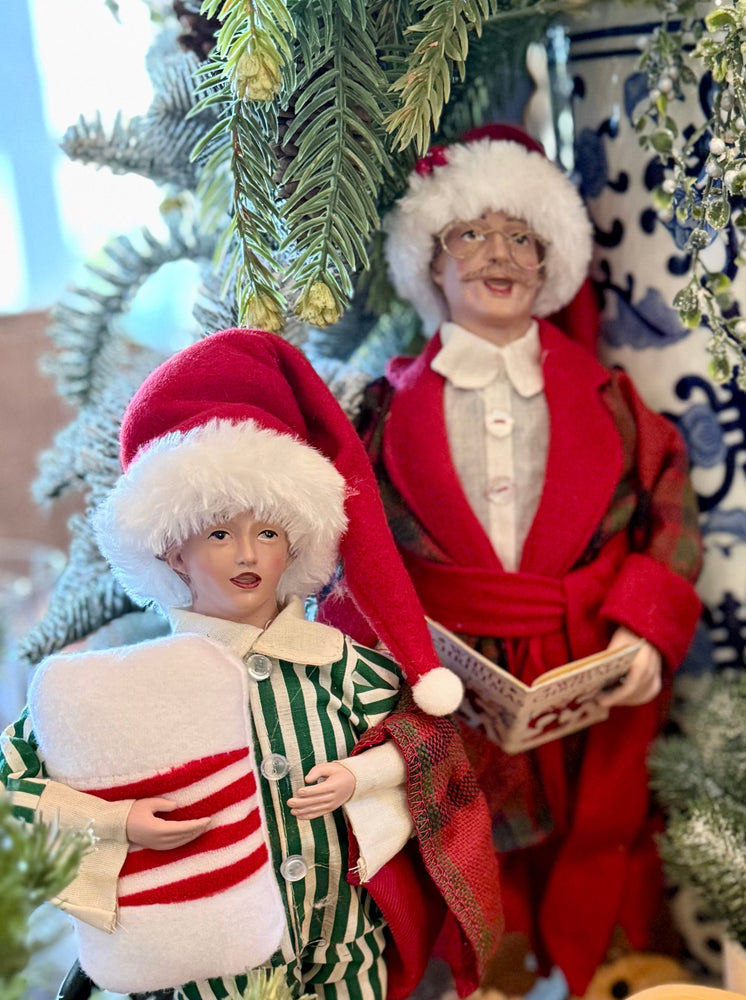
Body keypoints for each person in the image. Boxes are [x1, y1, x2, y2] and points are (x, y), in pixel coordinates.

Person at [1, 329, 500, 1000]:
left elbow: (433, 743)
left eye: (267, 532)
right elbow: (15, 790)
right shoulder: (125, 687)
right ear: (172, 551)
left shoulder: (341, 666)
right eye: (219, 533)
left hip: (347, 949)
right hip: (215, 969)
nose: (247, 555)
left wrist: (362, 773)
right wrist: (120, 825)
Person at [327, 124, 703, 995]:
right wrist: (381, 643)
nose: (499, 256)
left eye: (522, 239)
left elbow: (668, 500)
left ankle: (599, 960)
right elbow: (347, 542)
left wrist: (643, 630)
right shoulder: (382, 407)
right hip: (438, 675)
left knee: (594, 826)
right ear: (430, 255)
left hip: (581, 663)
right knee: (461, 834)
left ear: (551, 263)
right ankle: (482, 965)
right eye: (472, 234)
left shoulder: (606, 397)